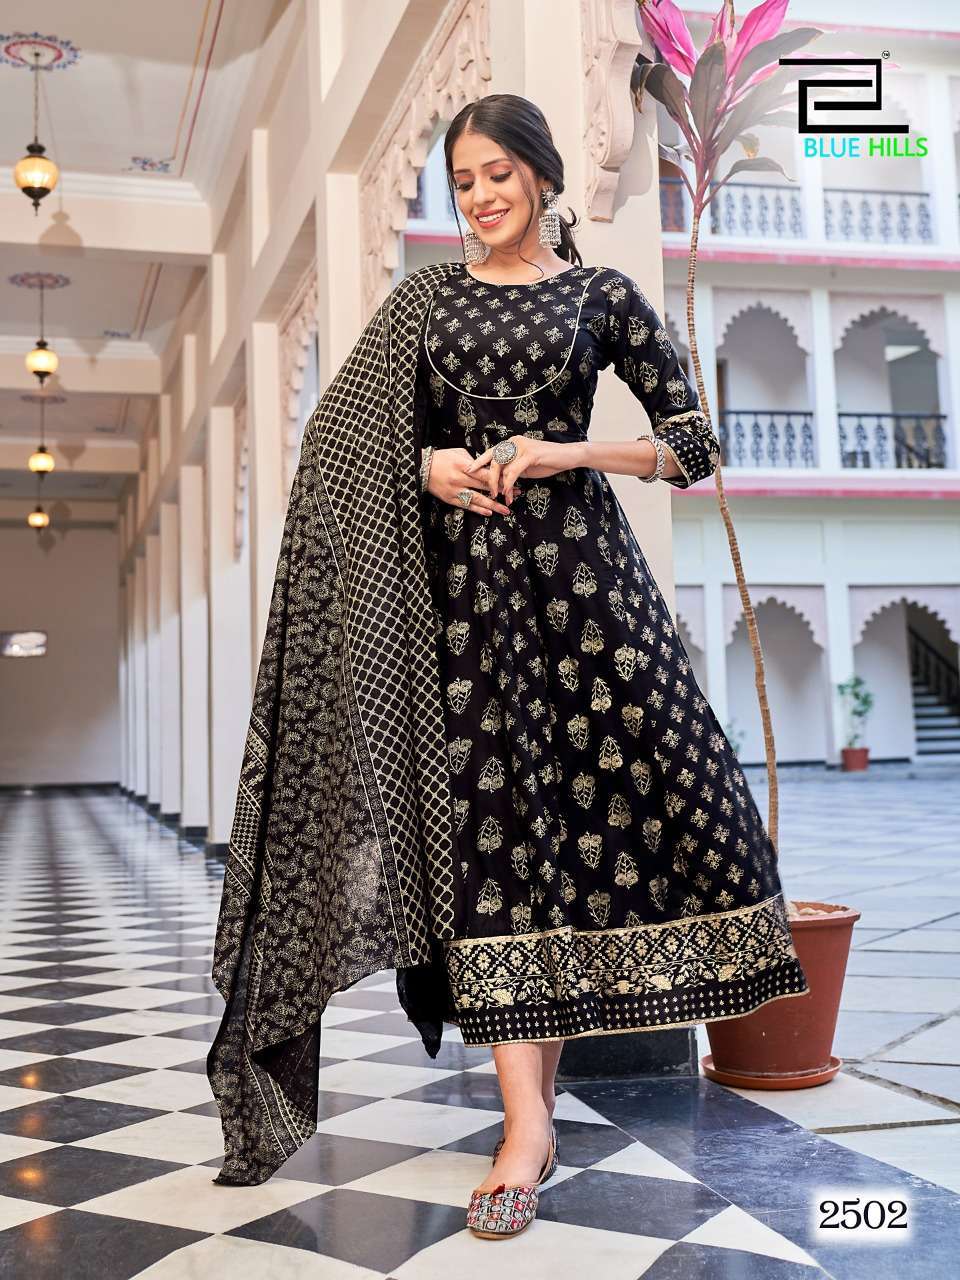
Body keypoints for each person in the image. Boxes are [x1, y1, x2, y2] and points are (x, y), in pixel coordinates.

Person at [206, 92, 809, 1242]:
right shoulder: (425, 301)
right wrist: (429, 466)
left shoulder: (601, 297)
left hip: (588, 597)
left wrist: (564, 450)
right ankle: (523, 1122)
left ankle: (563, 1081)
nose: (481, 196)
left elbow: (692, 442)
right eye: (464, 180)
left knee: (626, 819)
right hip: (463, 613)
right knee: (491, 844)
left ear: (540, 174)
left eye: (498, 173)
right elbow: (336, 439)